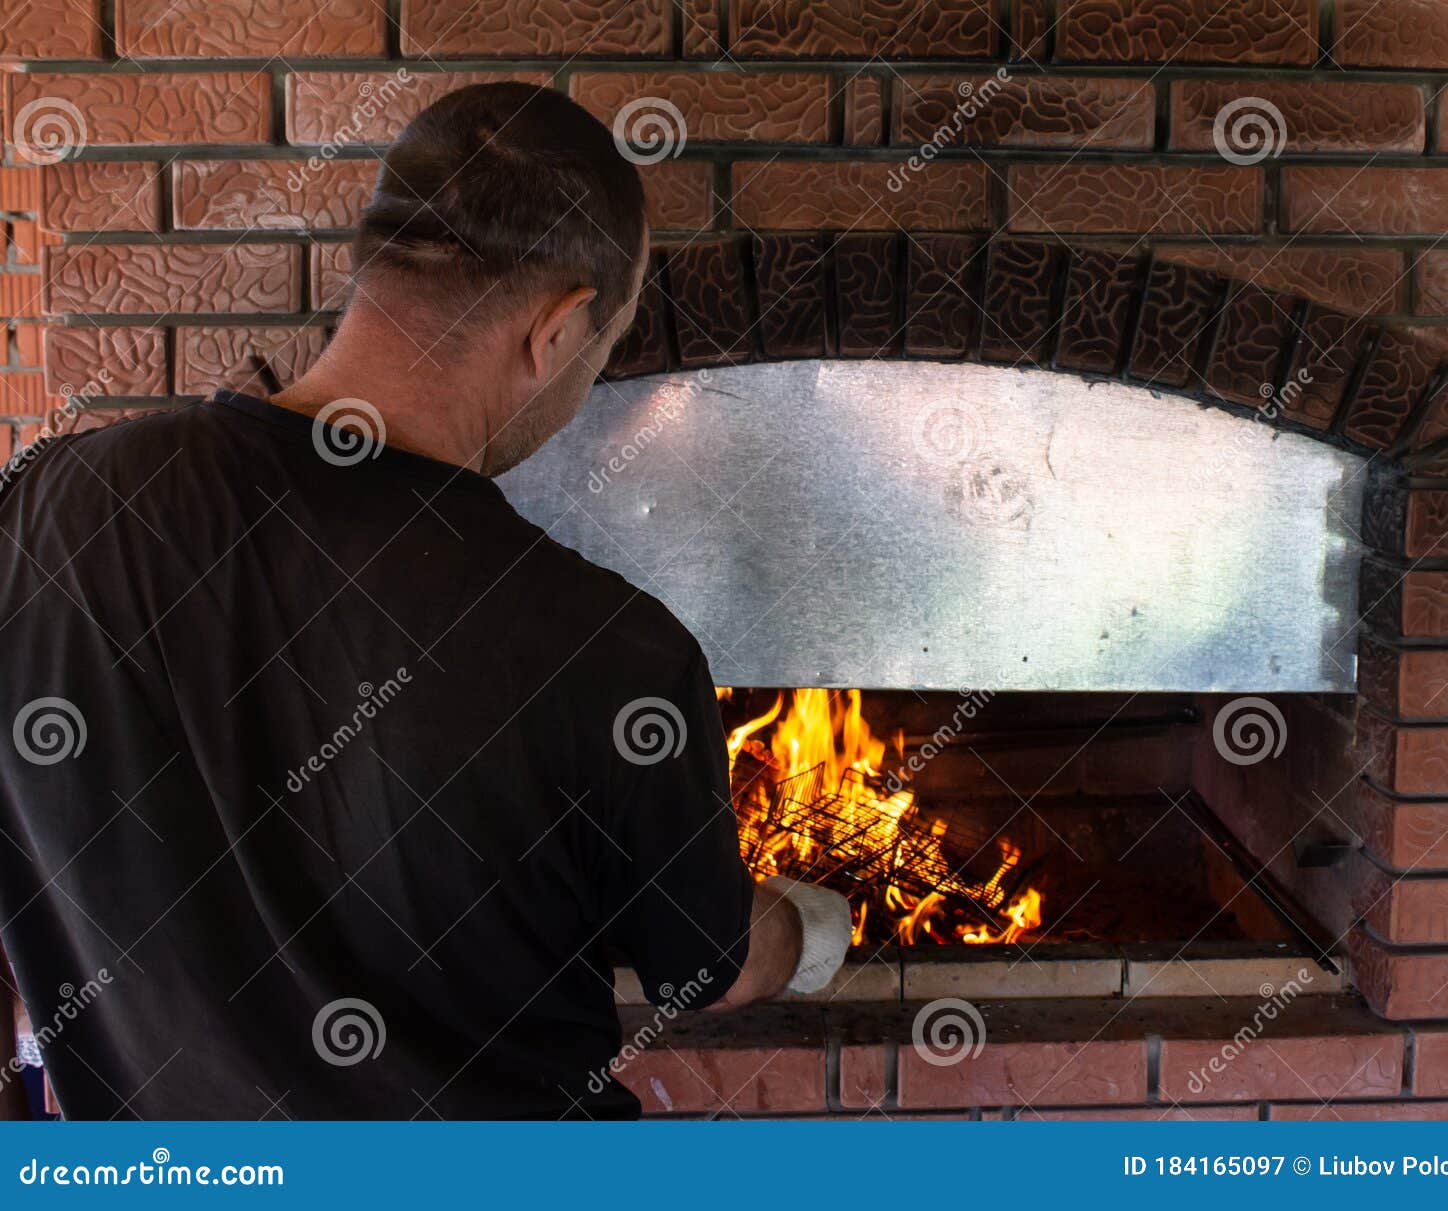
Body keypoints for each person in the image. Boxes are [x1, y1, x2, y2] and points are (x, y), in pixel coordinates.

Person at [0, 83, 849, 1120]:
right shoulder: (612, 652)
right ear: (558, 325)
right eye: (604, 348)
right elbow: (705, 965)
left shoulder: (41, 507)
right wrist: (807, 933)